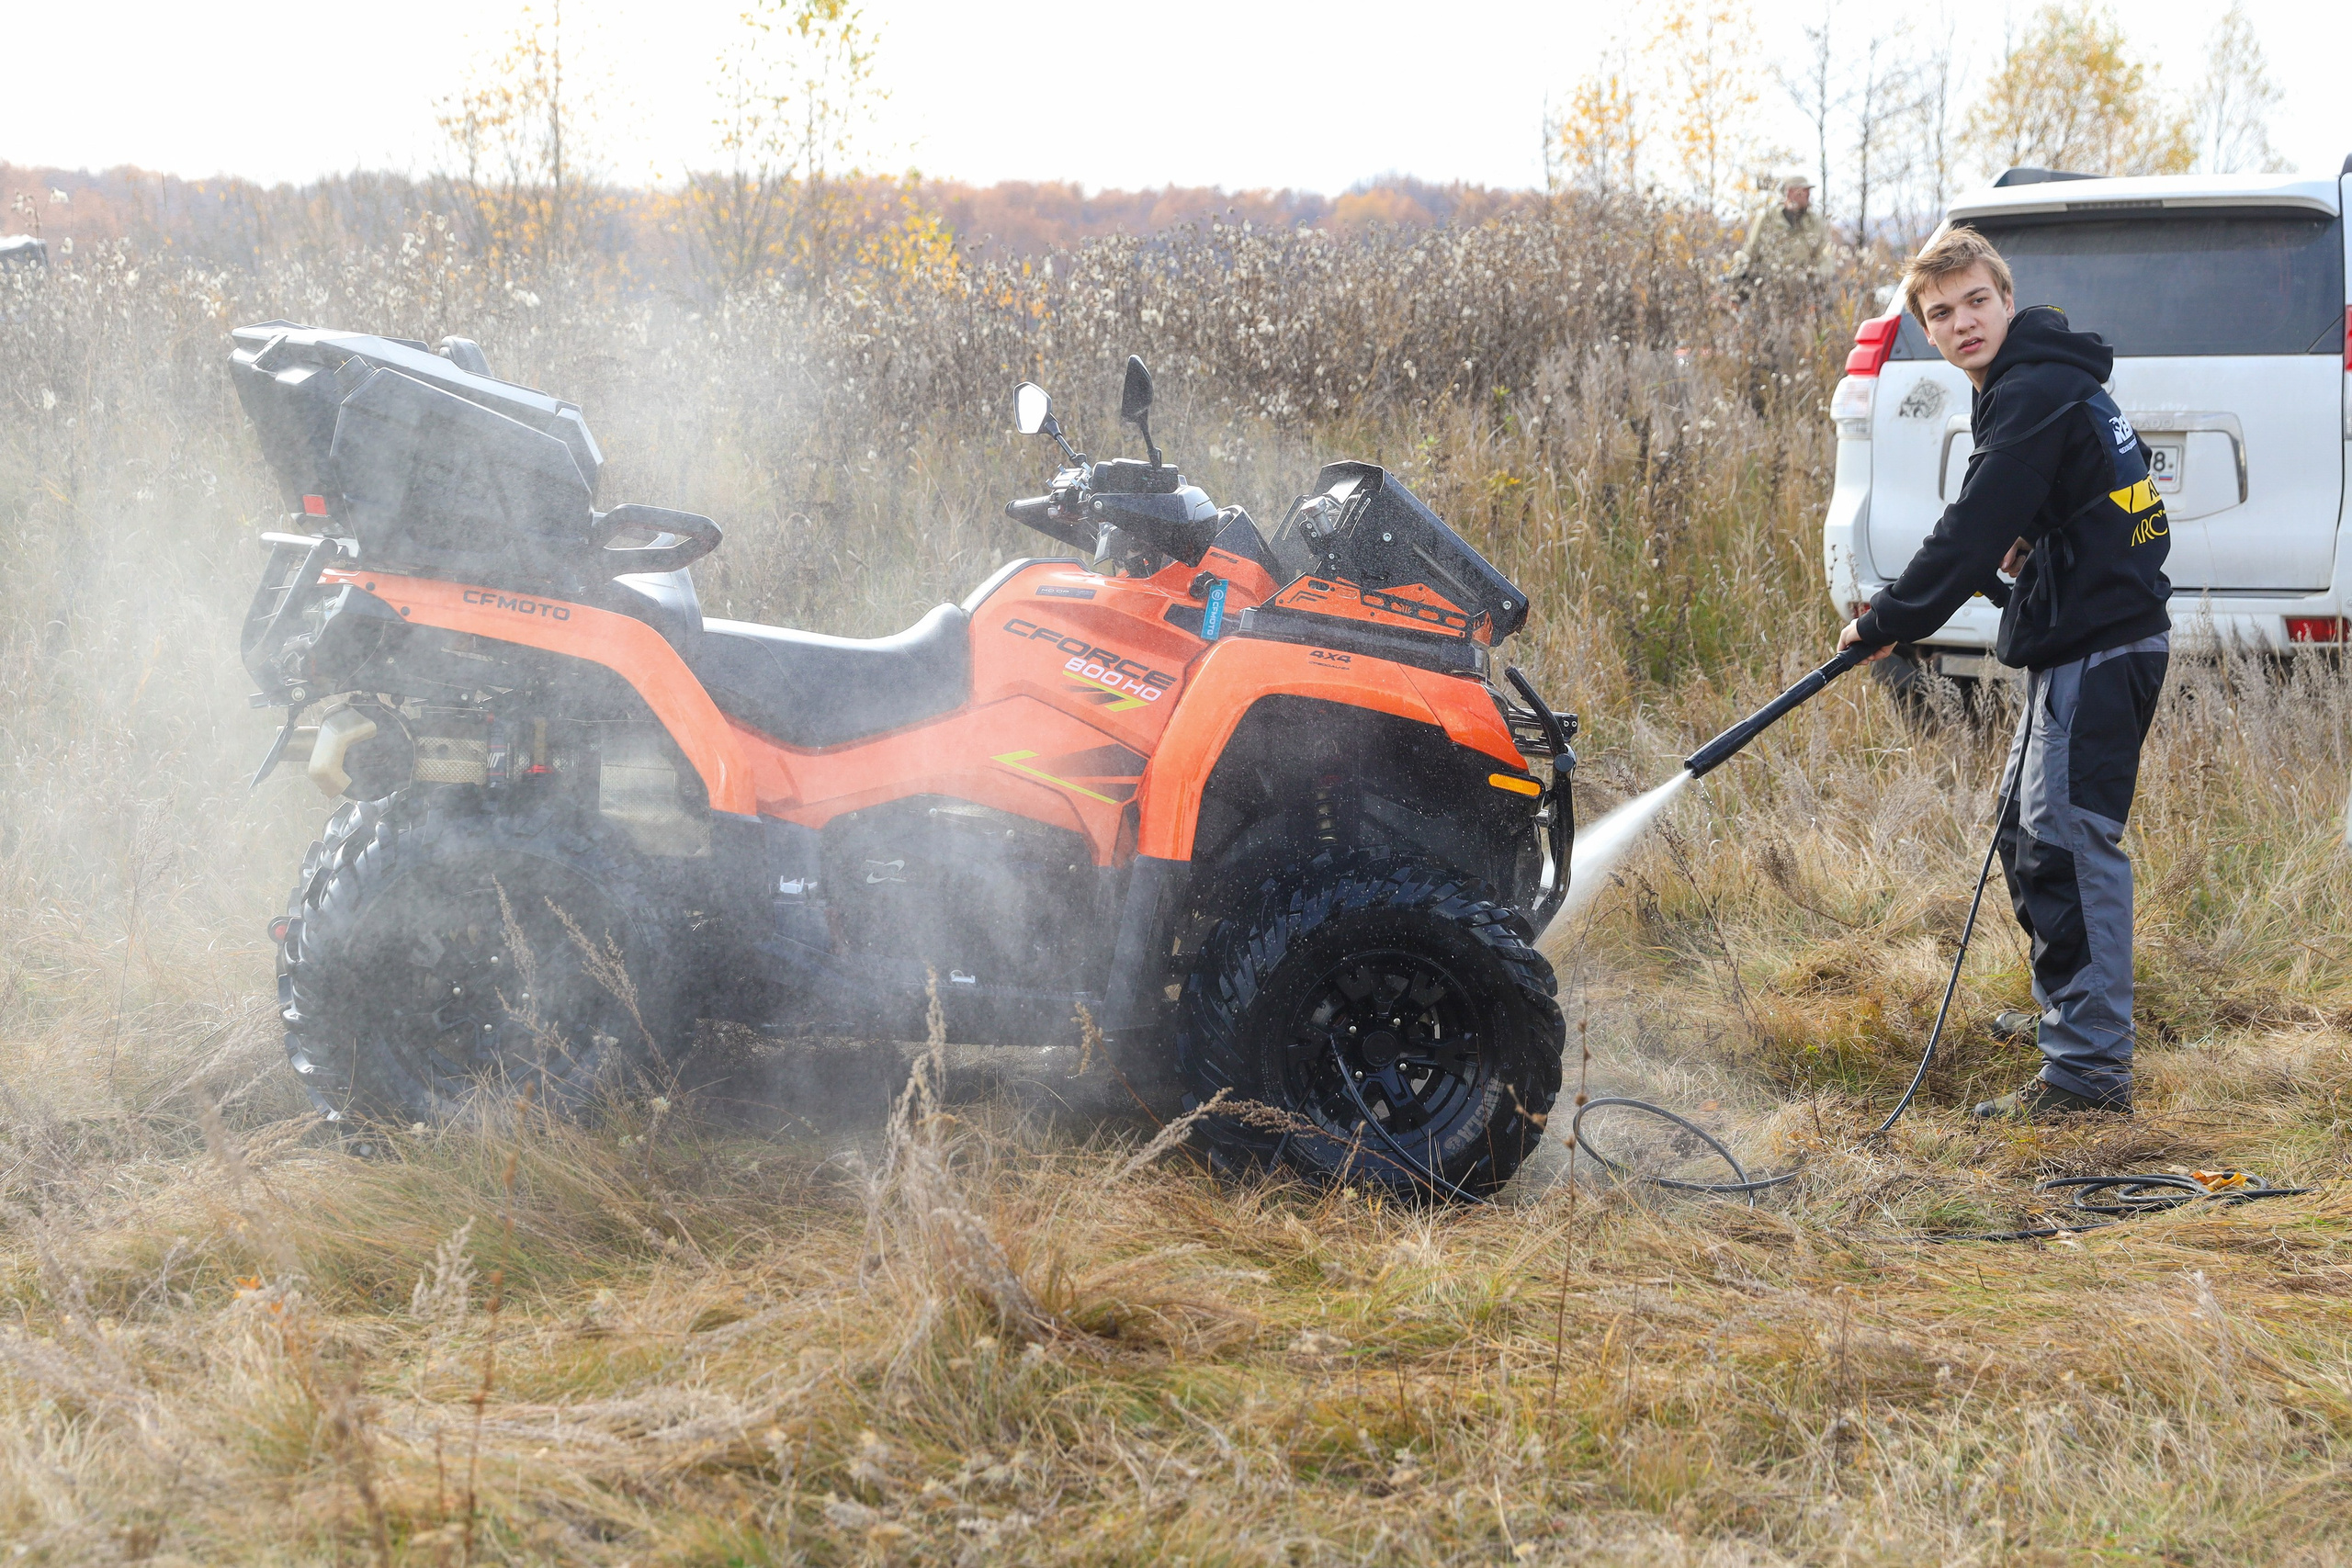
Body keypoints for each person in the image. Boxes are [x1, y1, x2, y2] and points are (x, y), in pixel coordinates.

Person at [1839, 226, 2172, 1120]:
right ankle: (2072, 1017)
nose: (1961, 322)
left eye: (1975, 301)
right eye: (1940, 313)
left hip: (2102, 645)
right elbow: (2049, 504)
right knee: (2026, 840)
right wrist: (2035, 543)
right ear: (1927, 330)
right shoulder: (2041, 381)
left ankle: (2089, 1075)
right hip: (2079, 634)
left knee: (2070, 843)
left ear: (2005, 299)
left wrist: (1889, 622)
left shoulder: (2032, 389)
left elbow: (1971, 523)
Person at [1733, 173, 1840, 290]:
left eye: (1808, 191)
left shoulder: (1816, 223)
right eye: (1803, 190)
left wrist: (1822, 279)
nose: (1808, 194)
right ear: (1790, 192)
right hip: (1769, 290)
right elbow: (1750, 251)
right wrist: (1737, 280)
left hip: (1802, 292)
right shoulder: (1767, 218)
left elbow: (1824, 255)